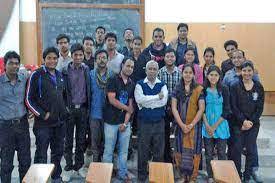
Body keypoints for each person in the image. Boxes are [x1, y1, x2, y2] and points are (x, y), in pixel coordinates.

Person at [26, 47, 68, 183]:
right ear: (44, 59)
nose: (52, 61)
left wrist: (64, 111)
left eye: (55, 58)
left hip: (59, 123)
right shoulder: (36, 75)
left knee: (57, 152)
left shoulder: (60, 75)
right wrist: (42, 114)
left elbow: (63, 96)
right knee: (41, 153)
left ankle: (56, 177)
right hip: (43, 124)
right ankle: (40, 179)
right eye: (49, 58)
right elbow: (28, 99)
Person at [230, 61, 264, 182]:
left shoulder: (258, 86)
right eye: (244, 71)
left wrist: (250, 122)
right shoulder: (235, 86)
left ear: (252, 71)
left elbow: (260, 107)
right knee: (237, 150)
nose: (247, 73)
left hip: (253, 125)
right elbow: (233, 106)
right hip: (238, 124)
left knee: (250, 150)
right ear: (241, 72)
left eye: (249, 70)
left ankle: (247, 175)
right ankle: (237, 175)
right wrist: (243, 121)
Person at [135, 60, 168, 182]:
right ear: (146, 70)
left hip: (159, 122)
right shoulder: (139, 84)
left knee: (159, 151)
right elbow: (139, 99)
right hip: (144, 122)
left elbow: (163, 102)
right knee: (143, 151)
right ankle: (141, 177)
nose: (152, 71)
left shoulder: (162, 85)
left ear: (158, 71)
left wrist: (147, 101)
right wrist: (155, 97)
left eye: (155, 69)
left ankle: (157, 176)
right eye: (150, 69)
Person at [0, 51, 31, 183]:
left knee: (25, 161)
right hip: (5, 127)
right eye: (11, 63)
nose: (14, 66)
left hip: (22, 125)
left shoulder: (24, 78)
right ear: (5, 65)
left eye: (17, 63)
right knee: (6, 163)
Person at [62, 43, 91, 181]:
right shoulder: (65, 71)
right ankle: (68, 166)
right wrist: (65, 107)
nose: (78, 57)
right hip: (70, 110)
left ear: (84, 56)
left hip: (83, 110)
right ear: (71, 56)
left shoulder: (86, 69)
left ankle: (79, 166)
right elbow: (62, 92)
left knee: (80, 140)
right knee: (68, 140)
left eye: (81, 55)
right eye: (76, 55)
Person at [103, 57, 135, 182]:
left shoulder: (132, 84)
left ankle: (122, 173)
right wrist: (127, 108)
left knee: (124, 151)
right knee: (108, 150)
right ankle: (106, 174)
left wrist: (126, 123)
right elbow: (112, 100)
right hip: (110, 121)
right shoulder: (112, 79)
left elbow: (131, 107)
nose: (130, 68)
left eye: (132, 67)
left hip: (124, 123)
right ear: (122, 65)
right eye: (128, 66)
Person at [171, 63, 205, 182]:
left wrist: (191, 125)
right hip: (180, 126)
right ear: (182, 73)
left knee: (194, 152)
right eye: (186, 72)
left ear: (194, 75)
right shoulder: (177, 88)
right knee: (179, 150)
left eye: (190, 73)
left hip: (194, 127)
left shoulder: (199, 89)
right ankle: (182, 176)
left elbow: (201, 109)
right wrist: (182, 125)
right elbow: (174, 108)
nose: (188, 75)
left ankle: (193, 178)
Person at [202, 65, 231, 183]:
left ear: (220, 76)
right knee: (208, 153)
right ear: (207, 76)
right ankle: (210, 175)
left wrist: (214, 126)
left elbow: (227, 110)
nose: (213, 77)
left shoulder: (224, 89)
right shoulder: (203, 89)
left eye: (216, 75)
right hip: (207, 125)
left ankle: (221, 176)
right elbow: (201, 110)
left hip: (221, 125)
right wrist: (208, 126)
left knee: (221, 153)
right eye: (211, 74)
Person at [158, 48, 181, 163]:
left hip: (178, 109)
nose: (170, 58)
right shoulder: (160, 72)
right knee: (164, 134)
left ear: (175, 58)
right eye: (167, 56)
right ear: (164, 58)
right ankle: (166, 159)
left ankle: (178, 159)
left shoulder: (180, 73)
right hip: (164, 108)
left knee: (178, 135)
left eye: (172, 56)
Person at [90, 49, 113, 162]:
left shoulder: (113, 75)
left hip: (109, 114)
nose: (101, 60)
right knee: (95, 142)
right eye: (99, 58)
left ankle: (106, 166)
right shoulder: (90, 75)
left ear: (107, 60)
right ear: (95, 61)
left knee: (107, 142)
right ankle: (95, 165)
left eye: (104, 57)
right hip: (94, 113)